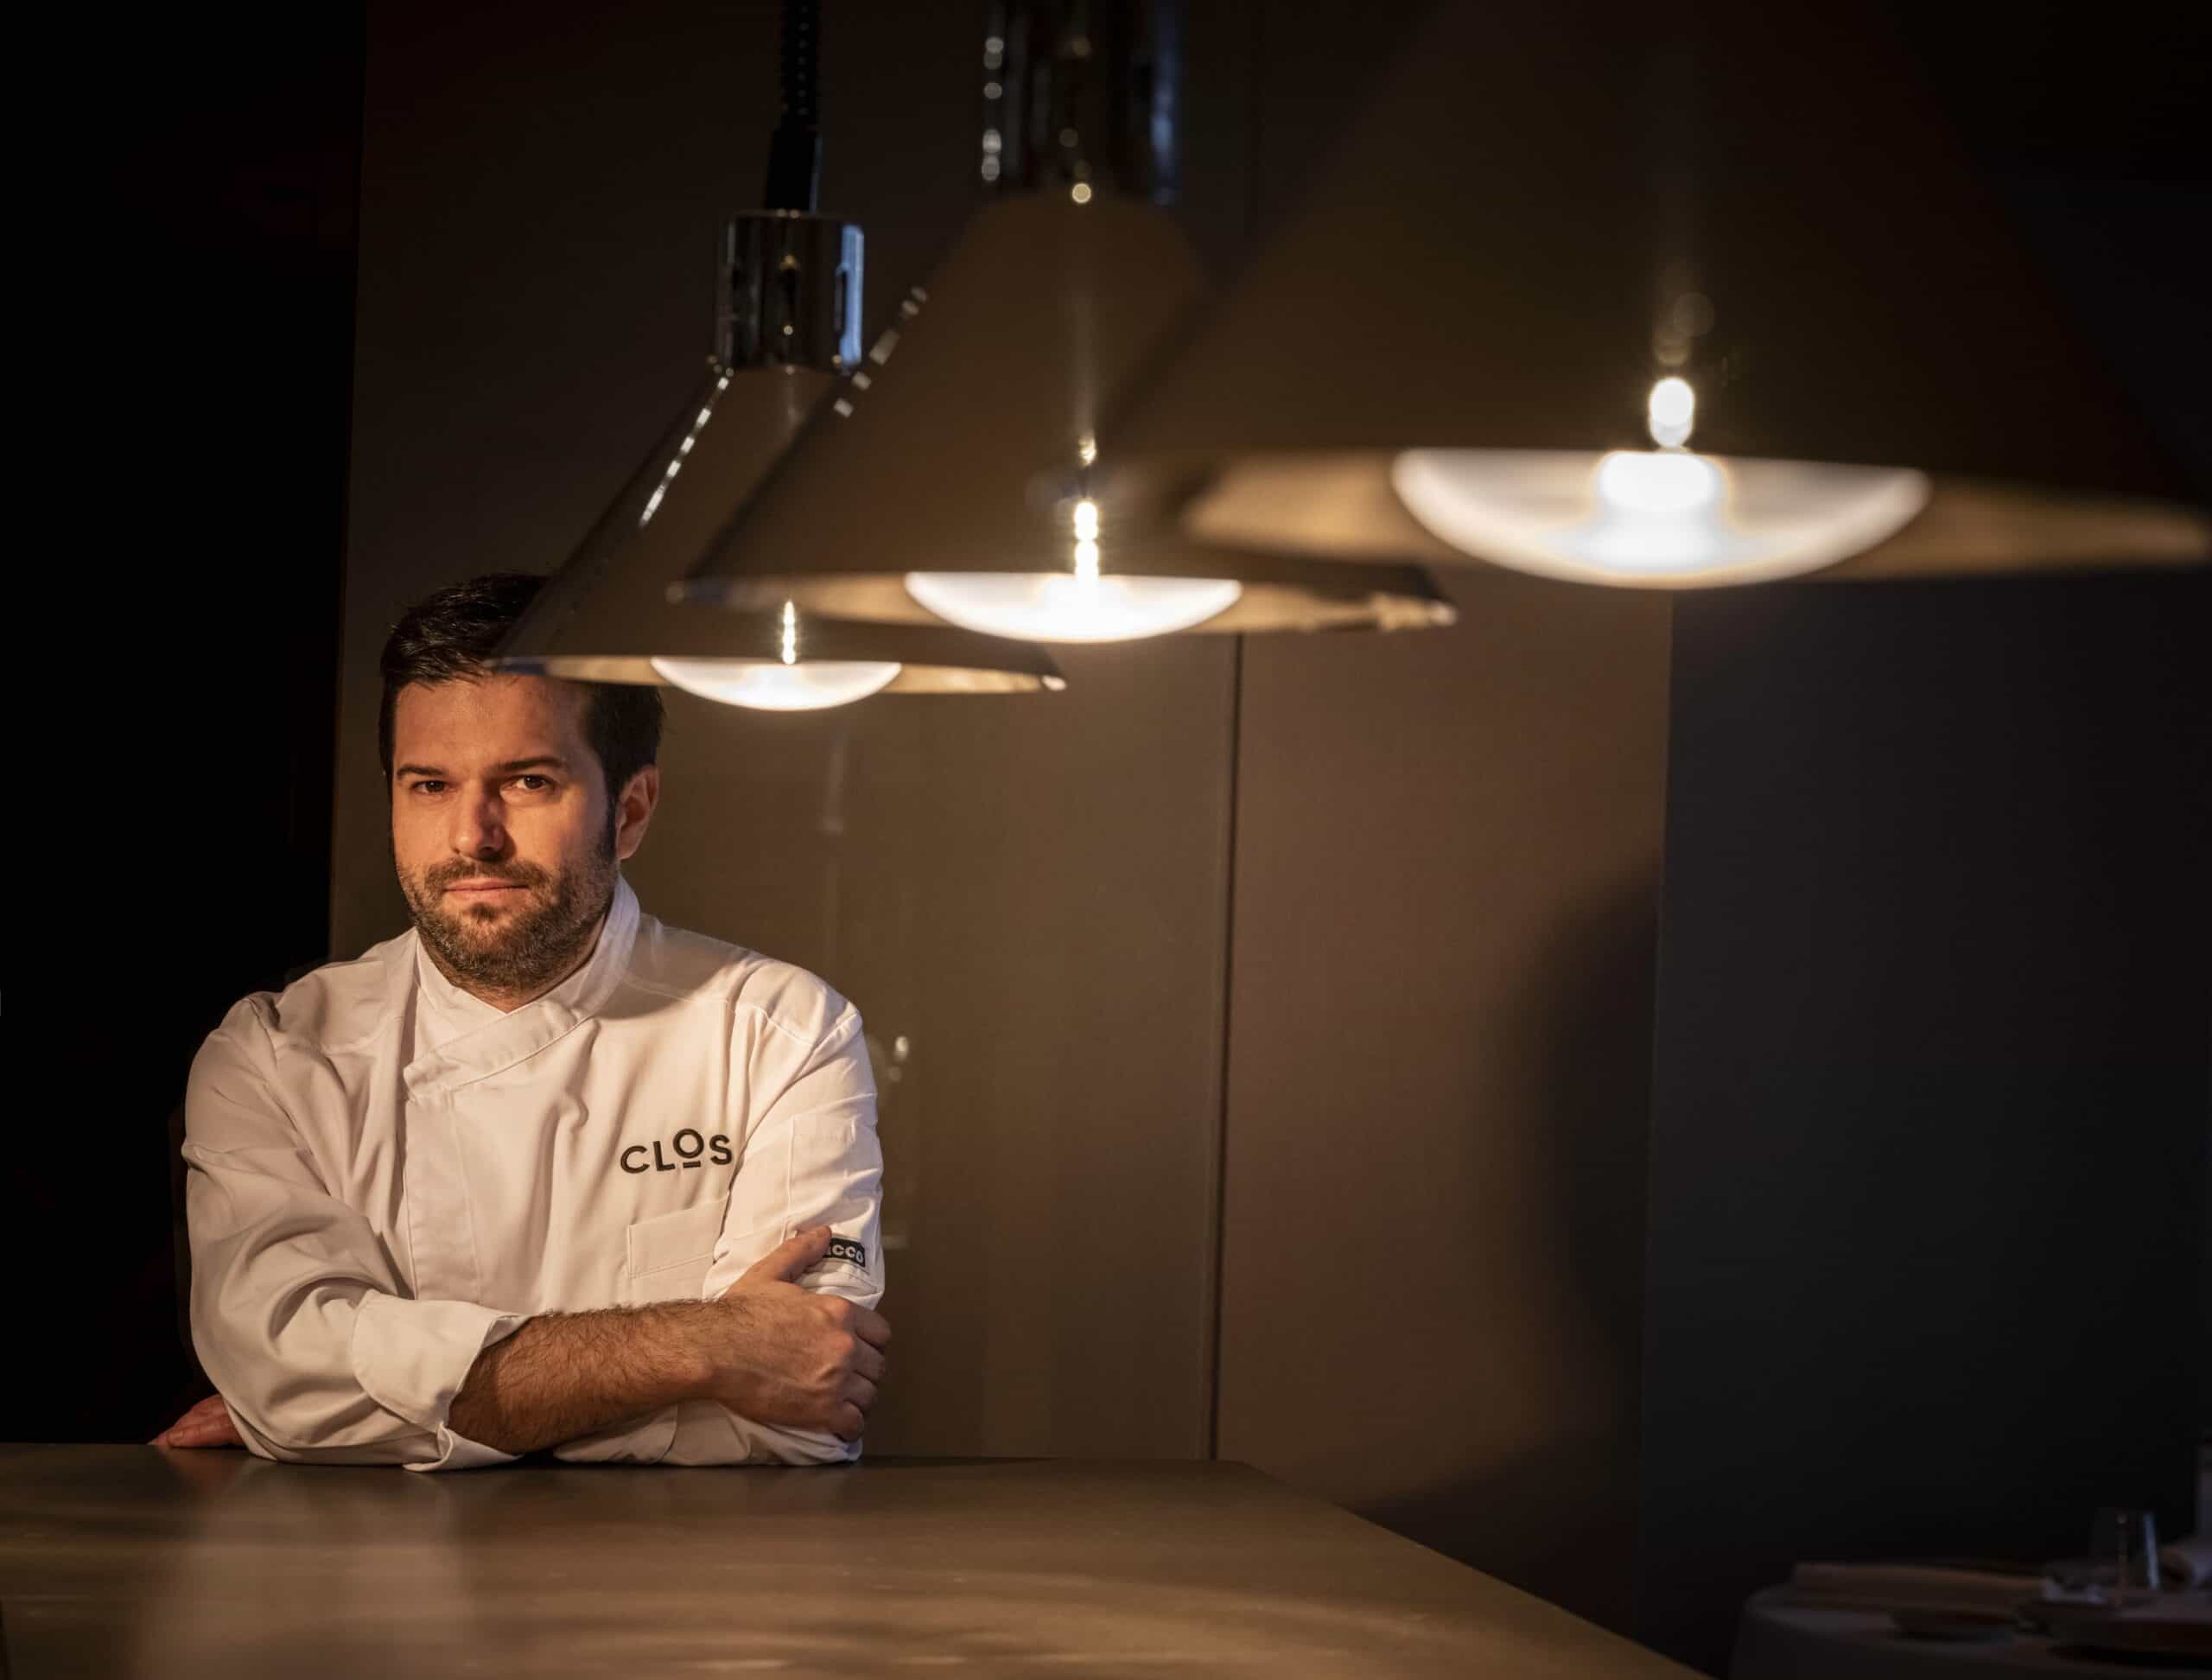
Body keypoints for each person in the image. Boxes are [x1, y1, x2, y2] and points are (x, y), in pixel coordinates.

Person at [150, 574, 889, 1469]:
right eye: (429, 785)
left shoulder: (777, 1033)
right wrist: (706, 1348)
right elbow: (282, 1380)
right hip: (371, 1595)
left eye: (528, 781)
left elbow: (791, 1420)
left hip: (681, 1591)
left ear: (631, 811)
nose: (472, 835)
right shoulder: (275, 1057)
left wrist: (360, 1411)